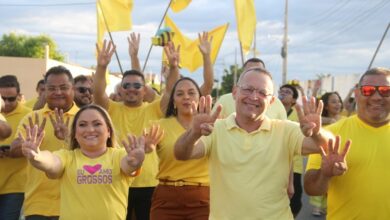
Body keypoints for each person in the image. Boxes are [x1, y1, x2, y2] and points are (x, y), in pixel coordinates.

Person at [174, 67, 346, 219]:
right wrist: (193, 133)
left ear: (271, 101)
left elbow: (328, 146)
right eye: (248, 89)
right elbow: (181, 153)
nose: (254, 97)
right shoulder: (215, 129)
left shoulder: (284, 130)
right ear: (235, 92)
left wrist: (316, 132)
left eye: (263, 93)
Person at [93, 39, 179, 220]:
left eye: (137, 85)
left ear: (144, 89)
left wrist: (173, 67)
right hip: (117, 178)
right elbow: (98, 92)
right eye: (126, 85)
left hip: (149, 183)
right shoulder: (111, 109)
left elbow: (171, 90)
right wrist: (101, 67)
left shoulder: (155, 108)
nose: (131, 89)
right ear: (121, 89)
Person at [20, 104, 145, 220]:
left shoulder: (119, 155)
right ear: (74, 133)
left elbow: (128, 166)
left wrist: (135, 162)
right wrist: (36, 156)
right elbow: (52, 163)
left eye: (97, 124)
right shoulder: (67, 157)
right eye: (82, 125)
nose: (90, 129)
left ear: (108, 131)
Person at [304, 67, 390, 220]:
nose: (377, 97)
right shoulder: (330, 135)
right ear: (356, 94)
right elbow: (311, 189)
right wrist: (325, 174)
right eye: (368, 90)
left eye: (385, 90)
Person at [150, 33, 215, 218]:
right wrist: (145, 149)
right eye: (180, 94)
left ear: (199, 97)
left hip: (202, 200)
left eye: (191, 93)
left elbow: (209, 83)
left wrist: (206, 56)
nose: (186, 97)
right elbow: (144, 150)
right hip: (166, 199)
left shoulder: (210, 126)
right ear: (173, 100)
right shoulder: (159, 125)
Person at [11, 65, 79, 220]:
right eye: (52, 88)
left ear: (73, 89)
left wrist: (69, 138)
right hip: (38, 206)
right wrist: (27, 146)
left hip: (75, 204)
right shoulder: (32, 118)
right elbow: (14, 150)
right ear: (44, 91)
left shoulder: (84, 118)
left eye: (63, 87)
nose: (58, 92)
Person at [0, 75, 32, 220]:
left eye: (11, 99)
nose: (6, 103)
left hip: (16, 186)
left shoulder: (28, 115)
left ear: (19, 96)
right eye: (2, 98)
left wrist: (15, 151)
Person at [213, 58, 287, 120]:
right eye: (249, 71)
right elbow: (212, 126)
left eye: (259, 71)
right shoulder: (224, 100)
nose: (253, 97)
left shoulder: (277, 104)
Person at [278, 84, 303, 217]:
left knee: (295, 202)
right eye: (281, 91)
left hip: (295, 166)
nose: (283, 93)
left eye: (287, 92)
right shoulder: (271, 111)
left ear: (293, 100)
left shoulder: (298, 115)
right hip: (275, 162)